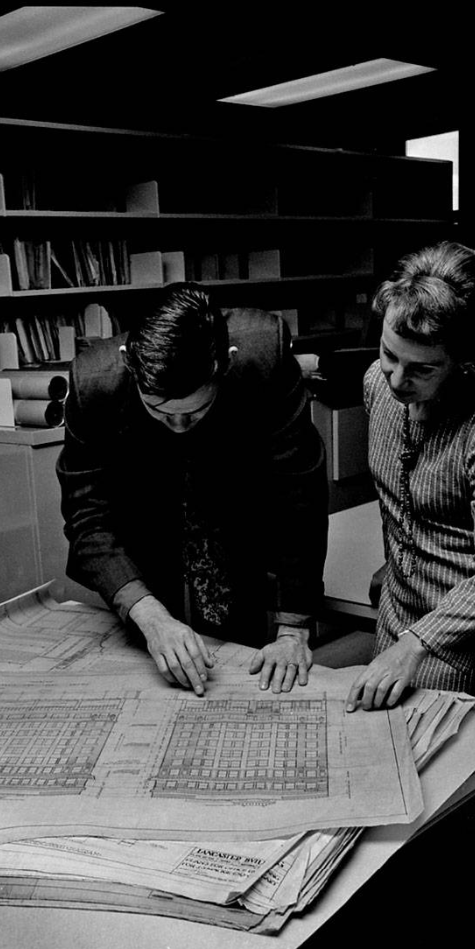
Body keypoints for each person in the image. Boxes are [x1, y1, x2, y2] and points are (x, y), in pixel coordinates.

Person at [57, 282, 328, 695]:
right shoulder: (93, 382)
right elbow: (86, 512)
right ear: (130, 364)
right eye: (160, 411)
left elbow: (299, 497)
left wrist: (292, 629)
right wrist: (149, 615)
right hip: (143, 515)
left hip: (237, 509)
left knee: (242, 649)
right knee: (149, 650)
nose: (179, 427)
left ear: (226, 362)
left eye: (195, 410)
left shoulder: (264, 354)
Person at [346, 241, 475, 725]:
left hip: (467, 643)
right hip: (398, 618)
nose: (396, 379)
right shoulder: (377, 384)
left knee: (454, 788)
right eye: (390, 355)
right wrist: (401, 562)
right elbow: (402, 494)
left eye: (421, 369)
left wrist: (415, 644)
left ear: (462, 360)